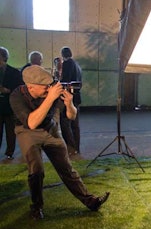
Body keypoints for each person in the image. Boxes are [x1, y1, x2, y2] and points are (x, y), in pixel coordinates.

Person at [9, 65, 109, 220]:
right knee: (36, 170)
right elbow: (32, 123)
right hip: (27, 130)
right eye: (45, 87)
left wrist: (69, 103)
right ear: (30, 87)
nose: (49, 89)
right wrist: (50, 97)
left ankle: (91, 201)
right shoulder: (17, 96)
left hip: (50, 129)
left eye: (50, 85)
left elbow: (71, 116)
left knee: (66, 168)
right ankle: (36, 207)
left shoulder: (52, 89)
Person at [0, 46, 24, 160]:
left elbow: (19, 88)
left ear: (4, 57)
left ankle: (9, 153)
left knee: (10, 132)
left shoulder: (14, 72)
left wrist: (7, 90)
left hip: (9, 106)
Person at [60, 46, 82, 155]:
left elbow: (64, 80)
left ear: (63, 55)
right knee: (75, 125)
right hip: (77, 97)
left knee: (65, 123)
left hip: (68, 97)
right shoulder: (77, 65)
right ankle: (76, 147)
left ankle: (71, 147)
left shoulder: (66, 64)